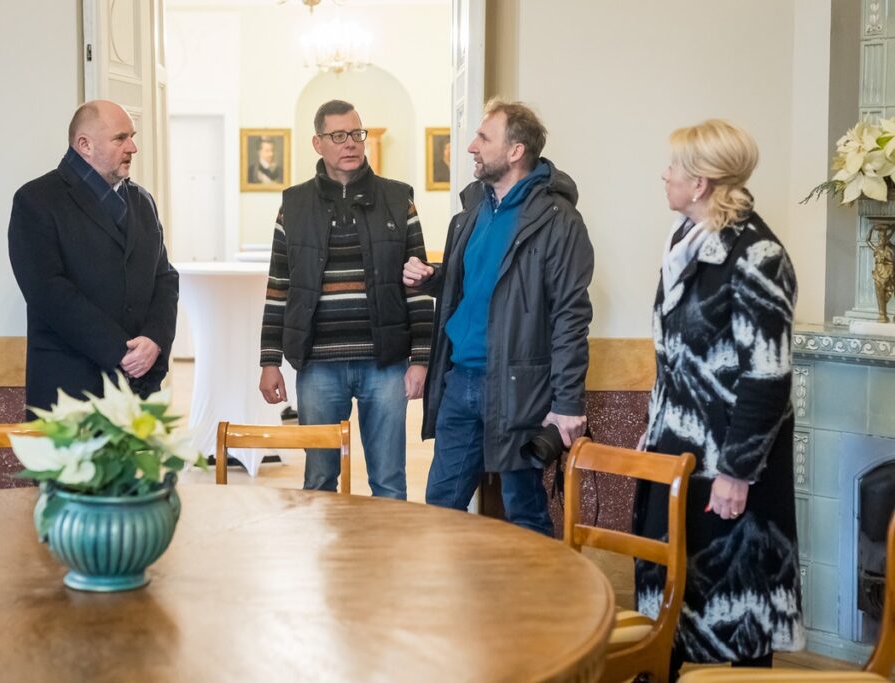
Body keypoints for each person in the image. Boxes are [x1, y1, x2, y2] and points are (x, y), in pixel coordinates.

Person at [634, 119, 804, 679]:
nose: (665, 174)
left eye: (674, 166)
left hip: (727, 470)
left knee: (733, 612)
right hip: (675, 454)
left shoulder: (759, 255)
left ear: (701, 182)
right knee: (671, 604)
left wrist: (736, 471)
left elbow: (768, 377)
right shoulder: (684, 245)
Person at [403, 99, 594, 535]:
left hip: (518, 388)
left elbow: (570, 316)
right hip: (460, 383)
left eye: (484, 138)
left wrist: (567, 404)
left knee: (523, 511)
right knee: (440, 507)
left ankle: (542, 605)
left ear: (515, 151)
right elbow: (475, 285)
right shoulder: (471, 212)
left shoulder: (559, 222)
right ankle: (452, 603)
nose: (471, 146)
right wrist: (433, 278)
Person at [258, 99, 434, 499]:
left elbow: (419, 286)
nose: (351, 143)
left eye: (357, 134)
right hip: (318, 365)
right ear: (318, 143)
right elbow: (278, 288)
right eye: (339, 136)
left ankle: (383, 562)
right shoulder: (294, 204)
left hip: (385, 363)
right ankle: (326, 562)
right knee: (319, 482)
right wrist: (269, 361)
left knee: (389, 481)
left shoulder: (397, 198)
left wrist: (421, 359)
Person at [9, 99, 178, 417]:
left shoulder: (142, 202)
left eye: (132, 136)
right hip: (70, 389)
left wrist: (154, 340)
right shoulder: (37, 201)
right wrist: (122, 353)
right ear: (84, 145)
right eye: (120, 138)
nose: (133, 147)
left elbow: (164, 278)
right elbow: (48, 292)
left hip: (137, 388)